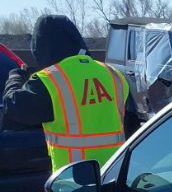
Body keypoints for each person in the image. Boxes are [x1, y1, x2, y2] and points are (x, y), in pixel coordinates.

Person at [2, 15, 140, 171]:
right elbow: (132, 125)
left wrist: (15, 76)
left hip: (72, 180)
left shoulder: (49, 80)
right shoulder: (114, 74)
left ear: (41, 46)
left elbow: (14, 107)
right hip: (114, 173)